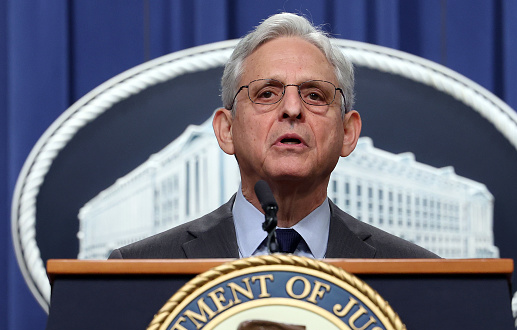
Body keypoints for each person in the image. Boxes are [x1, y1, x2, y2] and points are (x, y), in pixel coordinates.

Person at [109, 13, 437, 260]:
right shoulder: (139, 268)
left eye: (315, 95)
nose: (292, 108)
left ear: (348, 133)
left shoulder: (418, 273)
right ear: (226, 130)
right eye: (266, 94)